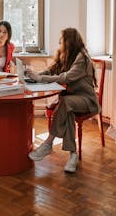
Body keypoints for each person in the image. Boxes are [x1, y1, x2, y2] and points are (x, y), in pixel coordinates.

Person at [26, 27, 100, 173]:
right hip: (72, 100)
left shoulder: (82, 58)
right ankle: (73, 155)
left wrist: (40, 78)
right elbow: (51, 70)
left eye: (62, 40)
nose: (60, 42)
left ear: (70, 41)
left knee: (66, 103)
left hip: (87, 100)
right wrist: (34, 75)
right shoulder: (64, 54)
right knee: (68, 110)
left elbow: (66, 77)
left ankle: (48, 143)